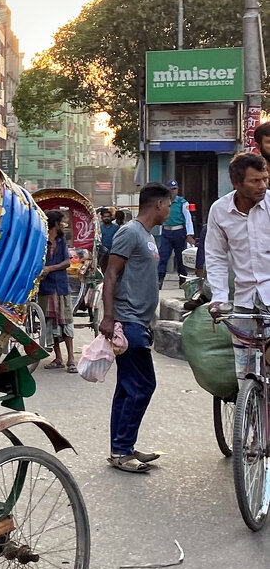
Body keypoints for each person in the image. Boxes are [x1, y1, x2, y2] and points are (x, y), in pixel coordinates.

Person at [99, 182, 172, 473]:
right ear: (158, 205)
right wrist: (108, 317)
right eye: (168, 204)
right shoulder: (130, 232)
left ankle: (122, 446)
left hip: (139, 320)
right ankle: (122, 450)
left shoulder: (147, 235)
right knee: (141, 385)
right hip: (126, 320)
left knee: (129, 386)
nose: (169, 209)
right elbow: (111, 274)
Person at [205, 153, 270, 386]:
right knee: (245, 372)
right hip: (244, 300)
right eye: (255, 181)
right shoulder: (219, 211)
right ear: (236, 183)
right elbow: (215, 256)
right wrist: (219, 297)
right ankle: (248, 417)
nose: (262, 185)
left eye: (265, 179)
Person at [40, 211, 76, 372]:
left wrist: (50, 268)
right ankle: (58, 358)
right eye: (63, 221)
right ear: (55, 223)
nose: (65, 223)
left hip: (61, 287)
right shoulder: (41, 241)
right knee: (51, 323)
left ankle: (71, 359)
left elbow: (67, 262)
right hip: (46, 287)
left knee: (66, 323)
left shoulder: (61, 241)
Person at [157, 180, 194, 288]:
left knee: (180, 258)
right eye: (171, 189)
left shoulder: (182, 202)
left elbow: (188, 218)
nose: (173, 191)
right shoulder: (163, 202)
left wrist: (189, 234)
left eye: (175, 189)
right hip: (166, 231)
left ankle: (183, 281)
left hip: (179, 232)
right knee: (163, 256)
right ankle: (160, 280)